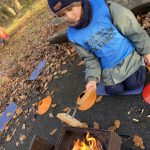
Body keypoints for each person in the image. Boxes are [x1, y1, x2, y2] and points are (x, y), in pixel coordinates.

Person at [48, 0, 150, 95]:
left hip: (127, 55)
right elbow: (90, 58)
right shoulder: (73, 36)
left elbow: (133, 30)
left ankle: (138, 63)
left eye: (70, 9)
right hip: (109, 67)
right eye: (62, 14)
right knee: (114, 90)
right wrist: (92, 78)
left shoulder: (104, 8)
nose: (69, 16)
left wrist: (146, 51)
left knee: (135, 83)